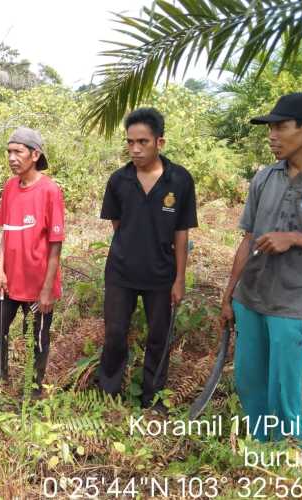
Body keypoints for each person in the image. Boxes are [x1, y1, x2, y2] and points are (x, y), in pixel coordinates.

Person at [220, 92, 302, 442]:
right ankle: (265, 457)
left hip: (299, 305)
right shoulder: (265, 177)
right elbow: (248, 239)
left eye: (280, 127)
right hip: (252, 298)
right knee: (250, 385)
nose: (272, 135)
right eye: (270, 128)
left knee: (291, 396)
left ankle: (298, 466)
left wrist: (295, 238)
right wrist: (229, 297)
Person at [96, 108, 197, 413]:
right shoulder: (119, 180)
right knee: (114, 335)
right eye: (130, 142)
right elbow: (118, 227)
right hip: (121, 273)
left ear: (160, 142)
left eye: (143, 142)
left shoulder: (179, 180)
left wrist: (179, 278)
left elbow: (182, 232)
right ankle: (108, 394)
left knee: (158, 338)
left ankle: (153, 400)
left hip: (161, 275)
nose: (136, 149)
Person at [0, 127, 65, 398]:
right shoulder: (10, 187)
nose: (12, 158)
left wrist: (47, 289)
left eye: (18, 152)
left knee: (35, 340)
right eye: (9, 152)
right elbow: (7, 231)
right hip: (9, 280)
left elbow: (55, 244)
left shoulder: (50, 191)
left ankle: (33, 391)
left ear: (35, 154)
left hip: (38, 283)